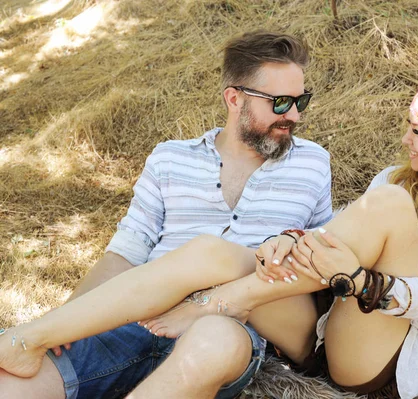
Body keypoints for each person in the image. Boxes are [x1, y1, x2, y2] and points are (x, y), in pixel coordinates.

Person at [0, 74, 418, 399]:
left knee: (387, 204)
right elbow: (337, 234)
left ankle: (219, 303)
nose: (405, 139)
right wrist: (290, 239)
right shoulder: (396, 179)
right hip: (321, 324)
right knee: (209, 250)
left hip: (378, 352)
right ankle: (27, 338)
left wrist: (367, 284)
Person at [0, 30, 333, 399]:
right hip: (141, 317)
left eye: (301, 99)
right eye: (281, 102)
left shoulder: (313, 164)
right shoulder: (170, 158)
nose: (296, 115)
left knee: (213, 339)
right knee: (14, 384)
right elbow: (125, 253)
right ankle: (26, 341)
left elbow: (319, 262)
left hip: (232, 326)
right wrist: (63, 325)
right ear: (234, 98)